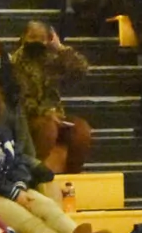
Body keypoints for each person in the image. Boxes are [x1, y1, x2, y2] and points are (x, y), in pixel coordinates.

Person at [0, 79, 117, 233]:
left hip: (12, 188)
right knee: (29, 221)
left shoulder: (2, 130)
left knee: (46, 205)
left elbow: (17, 160)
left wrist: (19, 185)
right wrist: (15, 193)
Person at [11, 23, 92, 175]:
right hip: (28, 117)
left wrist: (60, 48)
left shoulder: (53, 58)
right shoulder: (15, 62)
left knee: (82, 130)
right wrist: (45, 112)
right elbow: (20, 99)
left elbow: (81, 69)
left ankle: (72, 174)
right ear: (24, 37)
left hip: (56, 115)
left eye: (41, 38)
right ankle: (33, 173)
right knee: (48, 128)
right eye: (32, 37)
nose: (36, 41)